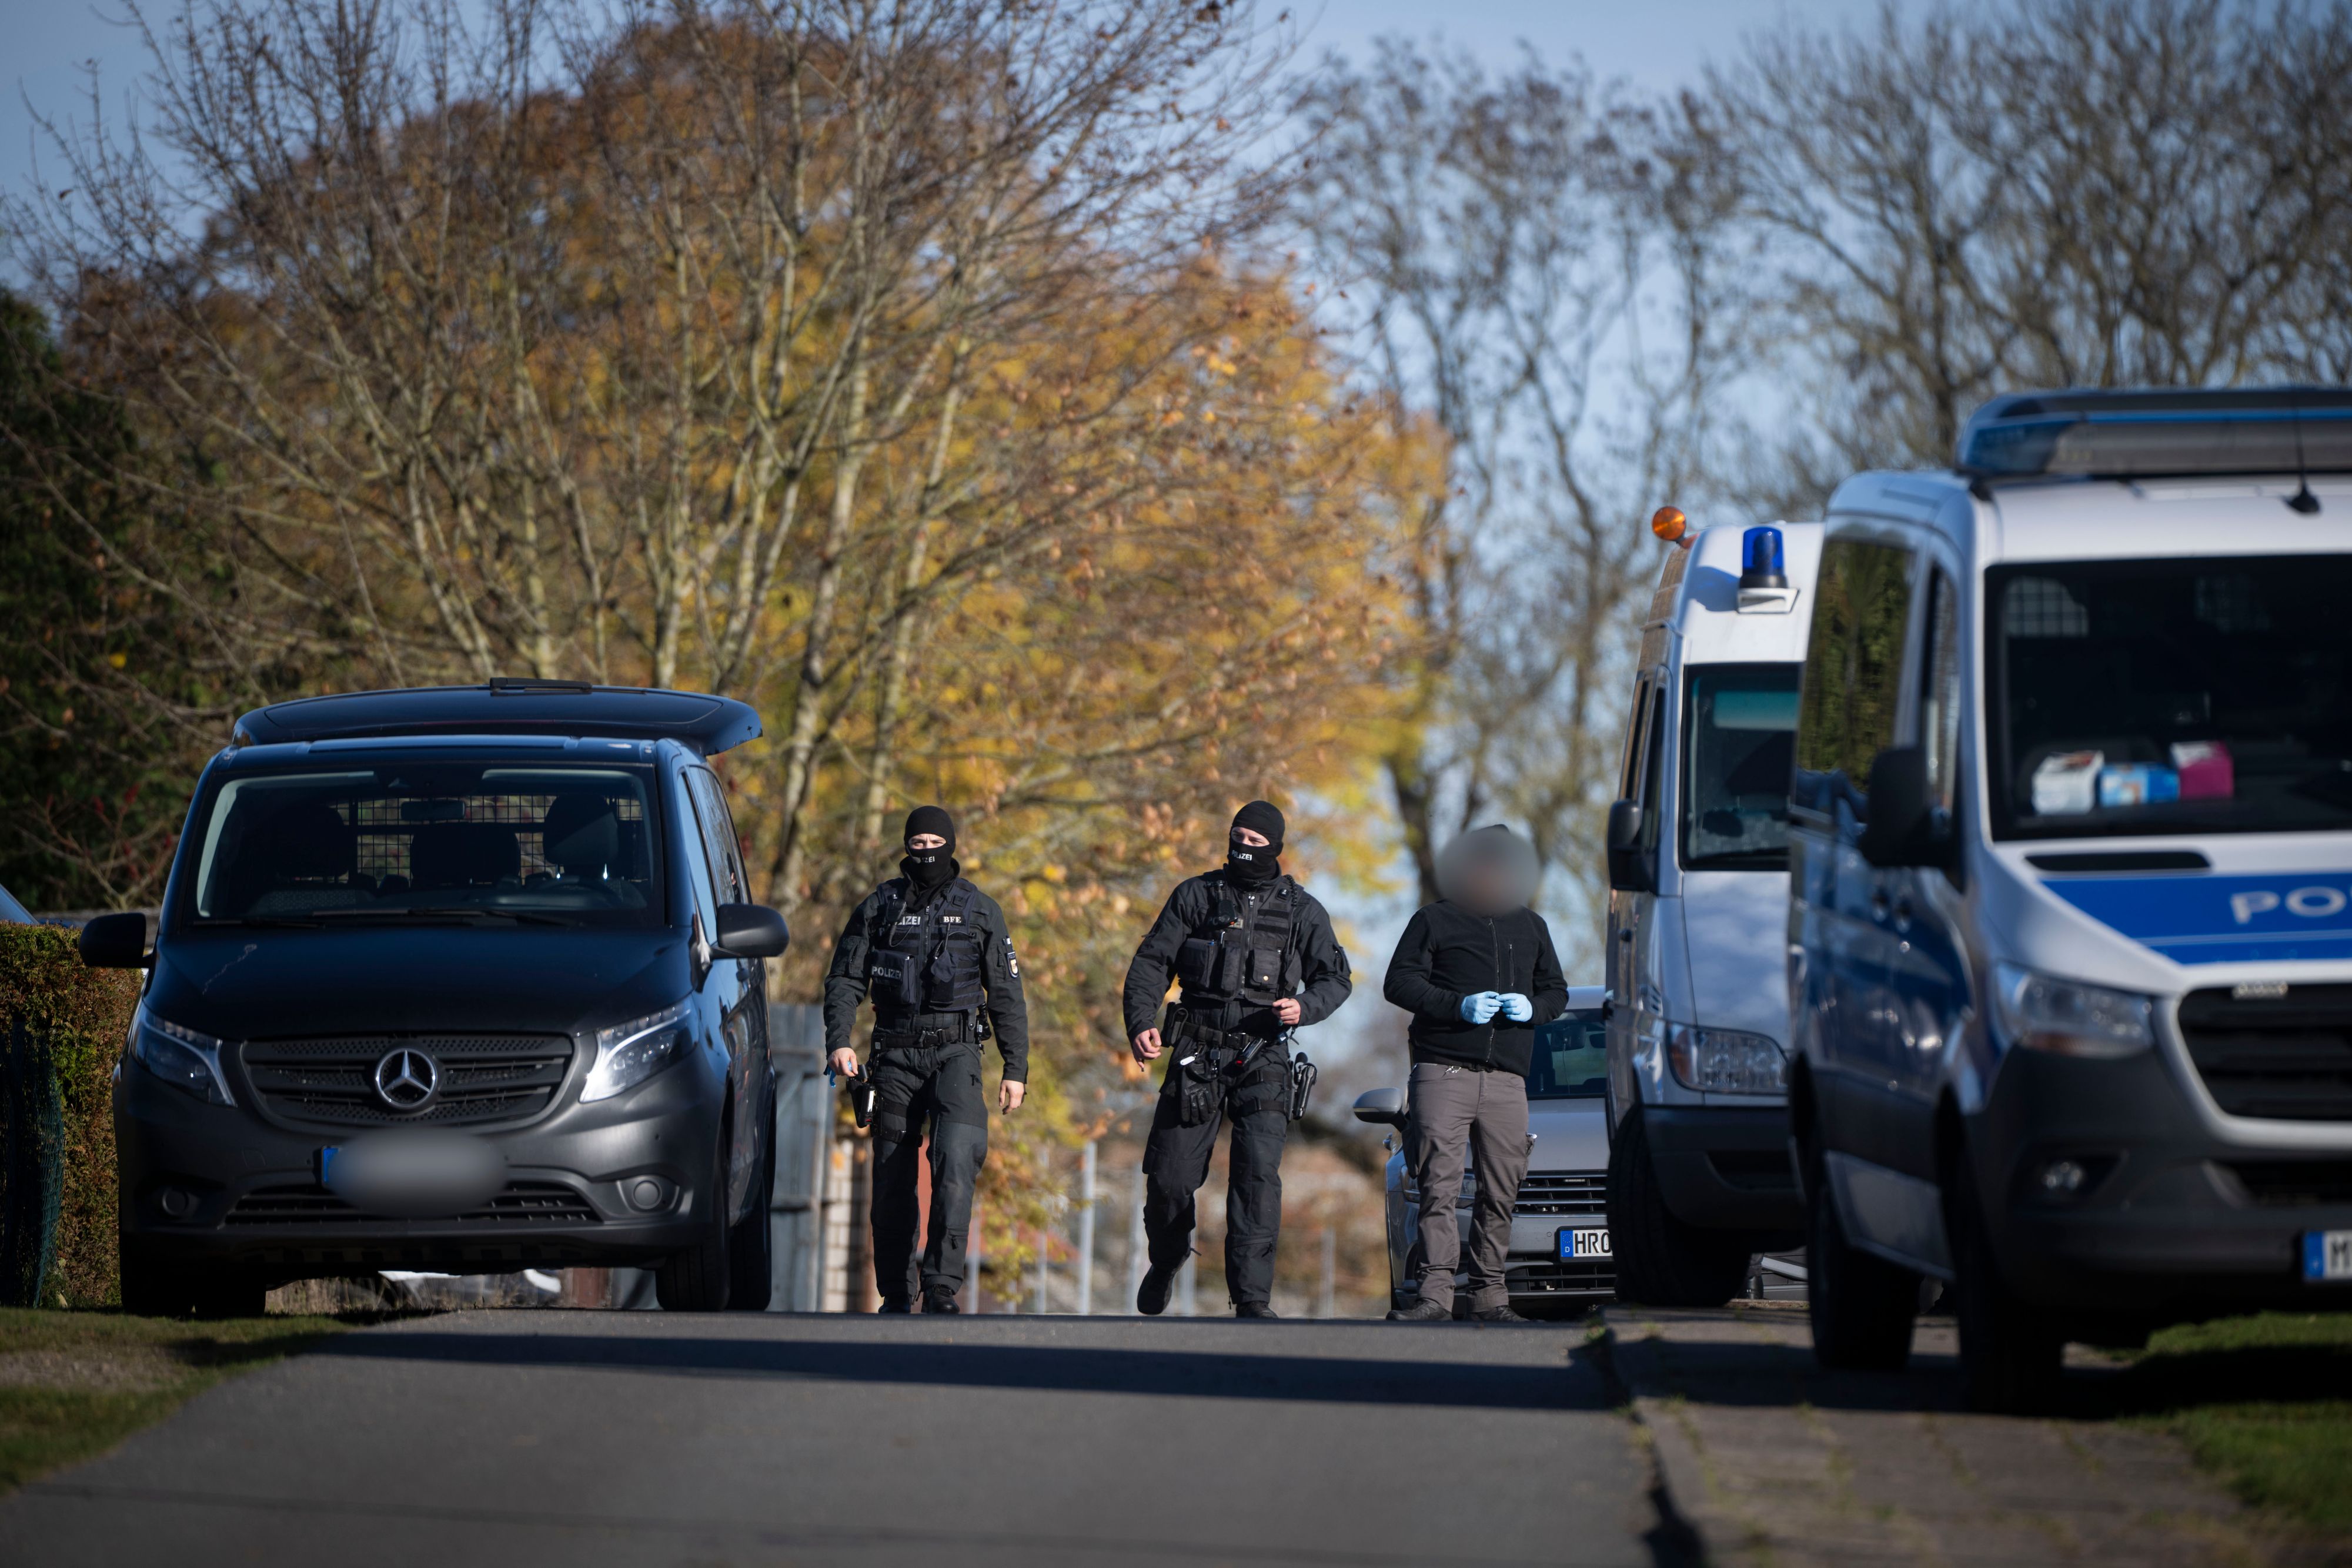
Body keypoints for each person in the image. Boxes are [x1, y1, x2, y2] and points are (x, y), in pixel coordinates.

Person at [1123, 800, 1352, 1318]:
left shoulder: (1302, 909)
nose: (1244, 848)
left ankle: (1252, 1300)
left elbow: (1336, 979)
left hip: (1264, 1056)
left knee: (1256, 1179)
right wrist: (1141, 1022)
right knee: (1169, 1179)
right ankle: (1167, 1256)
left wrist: (1305, 1007)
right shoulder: (1196, 895)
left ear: (1276, 849)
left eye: (1255, 841)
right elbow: (1151, 963)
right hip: (1195, 1052)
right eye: (1237, 837)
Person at [826, 806, 1028, 1313]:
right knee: (892, 1174)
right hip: (893, 1054)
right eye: (917, 842)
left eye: (936, 840)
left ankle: (941, 1285)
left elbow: (1006, 993)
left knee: (957, 1159)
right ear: (906, 845)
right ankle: (896, 1289)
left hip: (957, 1053)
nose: (926, 850)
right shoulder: (879, 906)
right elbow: (846, 978)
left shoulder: (980, 910)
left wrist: (1016, 1068)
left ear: (952, 844)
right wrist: (839, 1039)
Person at [1381, 825, 1566, 1323]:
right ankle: (1435, 1298)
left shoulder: (1532, 926)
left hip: (1507, 1081)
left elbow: (1557, 993)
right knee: (1438, 1188)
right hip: (1443, 1072)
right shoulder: (1435, 920)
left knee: (1501, 1191)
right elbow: (1397, 982)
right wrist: (1456, 1006)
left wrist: (1533, 1007)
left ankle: (1490, 1298)